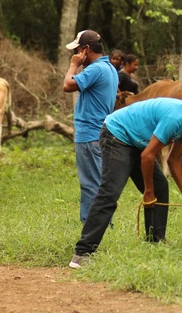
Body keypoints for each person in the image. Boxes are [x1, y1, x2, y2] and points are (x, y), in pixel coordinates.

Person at [69, 85, 182, 269]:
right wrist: (148, 191)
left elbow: (174, 160)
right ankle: (82, 253)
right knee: (109, 194)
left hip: (137, 142)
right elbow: (147, 156)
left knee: (161, 187)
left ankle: (155, 244)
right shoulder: (175, 117)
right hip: (117, 135)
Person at [63, 30, 119, 223]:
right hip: (100, 133)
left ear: (86, 49)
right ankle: (103, 225)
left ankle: (92, 228)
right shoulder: (109, 68)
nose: (76, 54)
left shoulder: (94, 69)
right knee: (99, 183)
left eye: (77, 50)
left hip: (89, 134)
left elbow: (68, 85)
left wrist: (73, 66)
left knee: (90, 184)